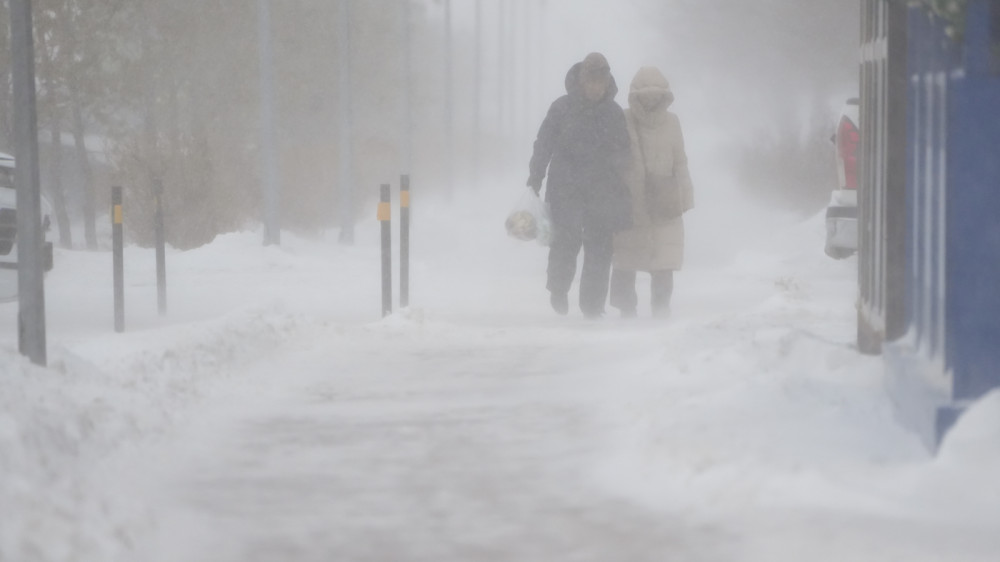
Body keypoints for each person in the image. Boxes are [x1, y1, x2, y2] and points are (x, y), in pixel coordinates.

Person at [526, 52, 631, 319]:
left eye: (601, 82)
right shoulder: (562, 108)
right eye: (592, 81)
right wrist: (535, 178)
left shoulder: (613, 113)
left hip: (602, 190)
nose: (597, 87)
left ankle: (592, 306)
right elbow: (543, 144)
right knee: (565, 241)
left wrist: (619, 177)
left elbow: (624, 151)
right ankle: (558, 289)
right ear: (582, 81)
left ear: (608, 83)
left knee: (600, 247)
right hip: (566, 188)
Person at [610, 66, 694, 318]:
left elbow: (680, 160)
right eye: (645, 94)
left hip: (664, 200)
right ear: (635, 96)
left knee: (664, 259)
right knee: (626, 255)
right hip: (631, 198)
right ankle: (626, 309)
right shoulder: (622, 120)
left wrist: (686, 194)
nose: (650, 98)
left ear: (663, 95)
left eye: (655, 94)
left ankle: (660, 309)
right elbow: (614, 159)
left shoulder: (673, 122)